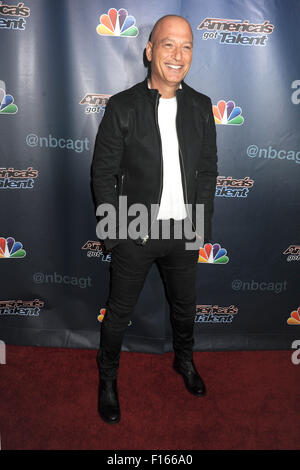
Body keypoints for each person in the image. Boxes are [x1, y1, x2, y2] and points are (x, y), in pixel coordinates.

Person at [91, 15, 218, 424]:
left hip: (183, 231)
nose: (178, 55)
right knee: (118, 315)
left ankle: (185, 361)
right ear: (149, 51)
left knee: (185, 309)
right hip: (134, 232)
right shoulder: (123, 106)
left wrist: (200, 227)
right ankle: (107, 379)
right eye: (168, 45)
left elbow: (209, 171)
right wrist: (114, 235)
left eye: (186, 46)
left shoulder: (200, 107)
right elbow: (103, 174)